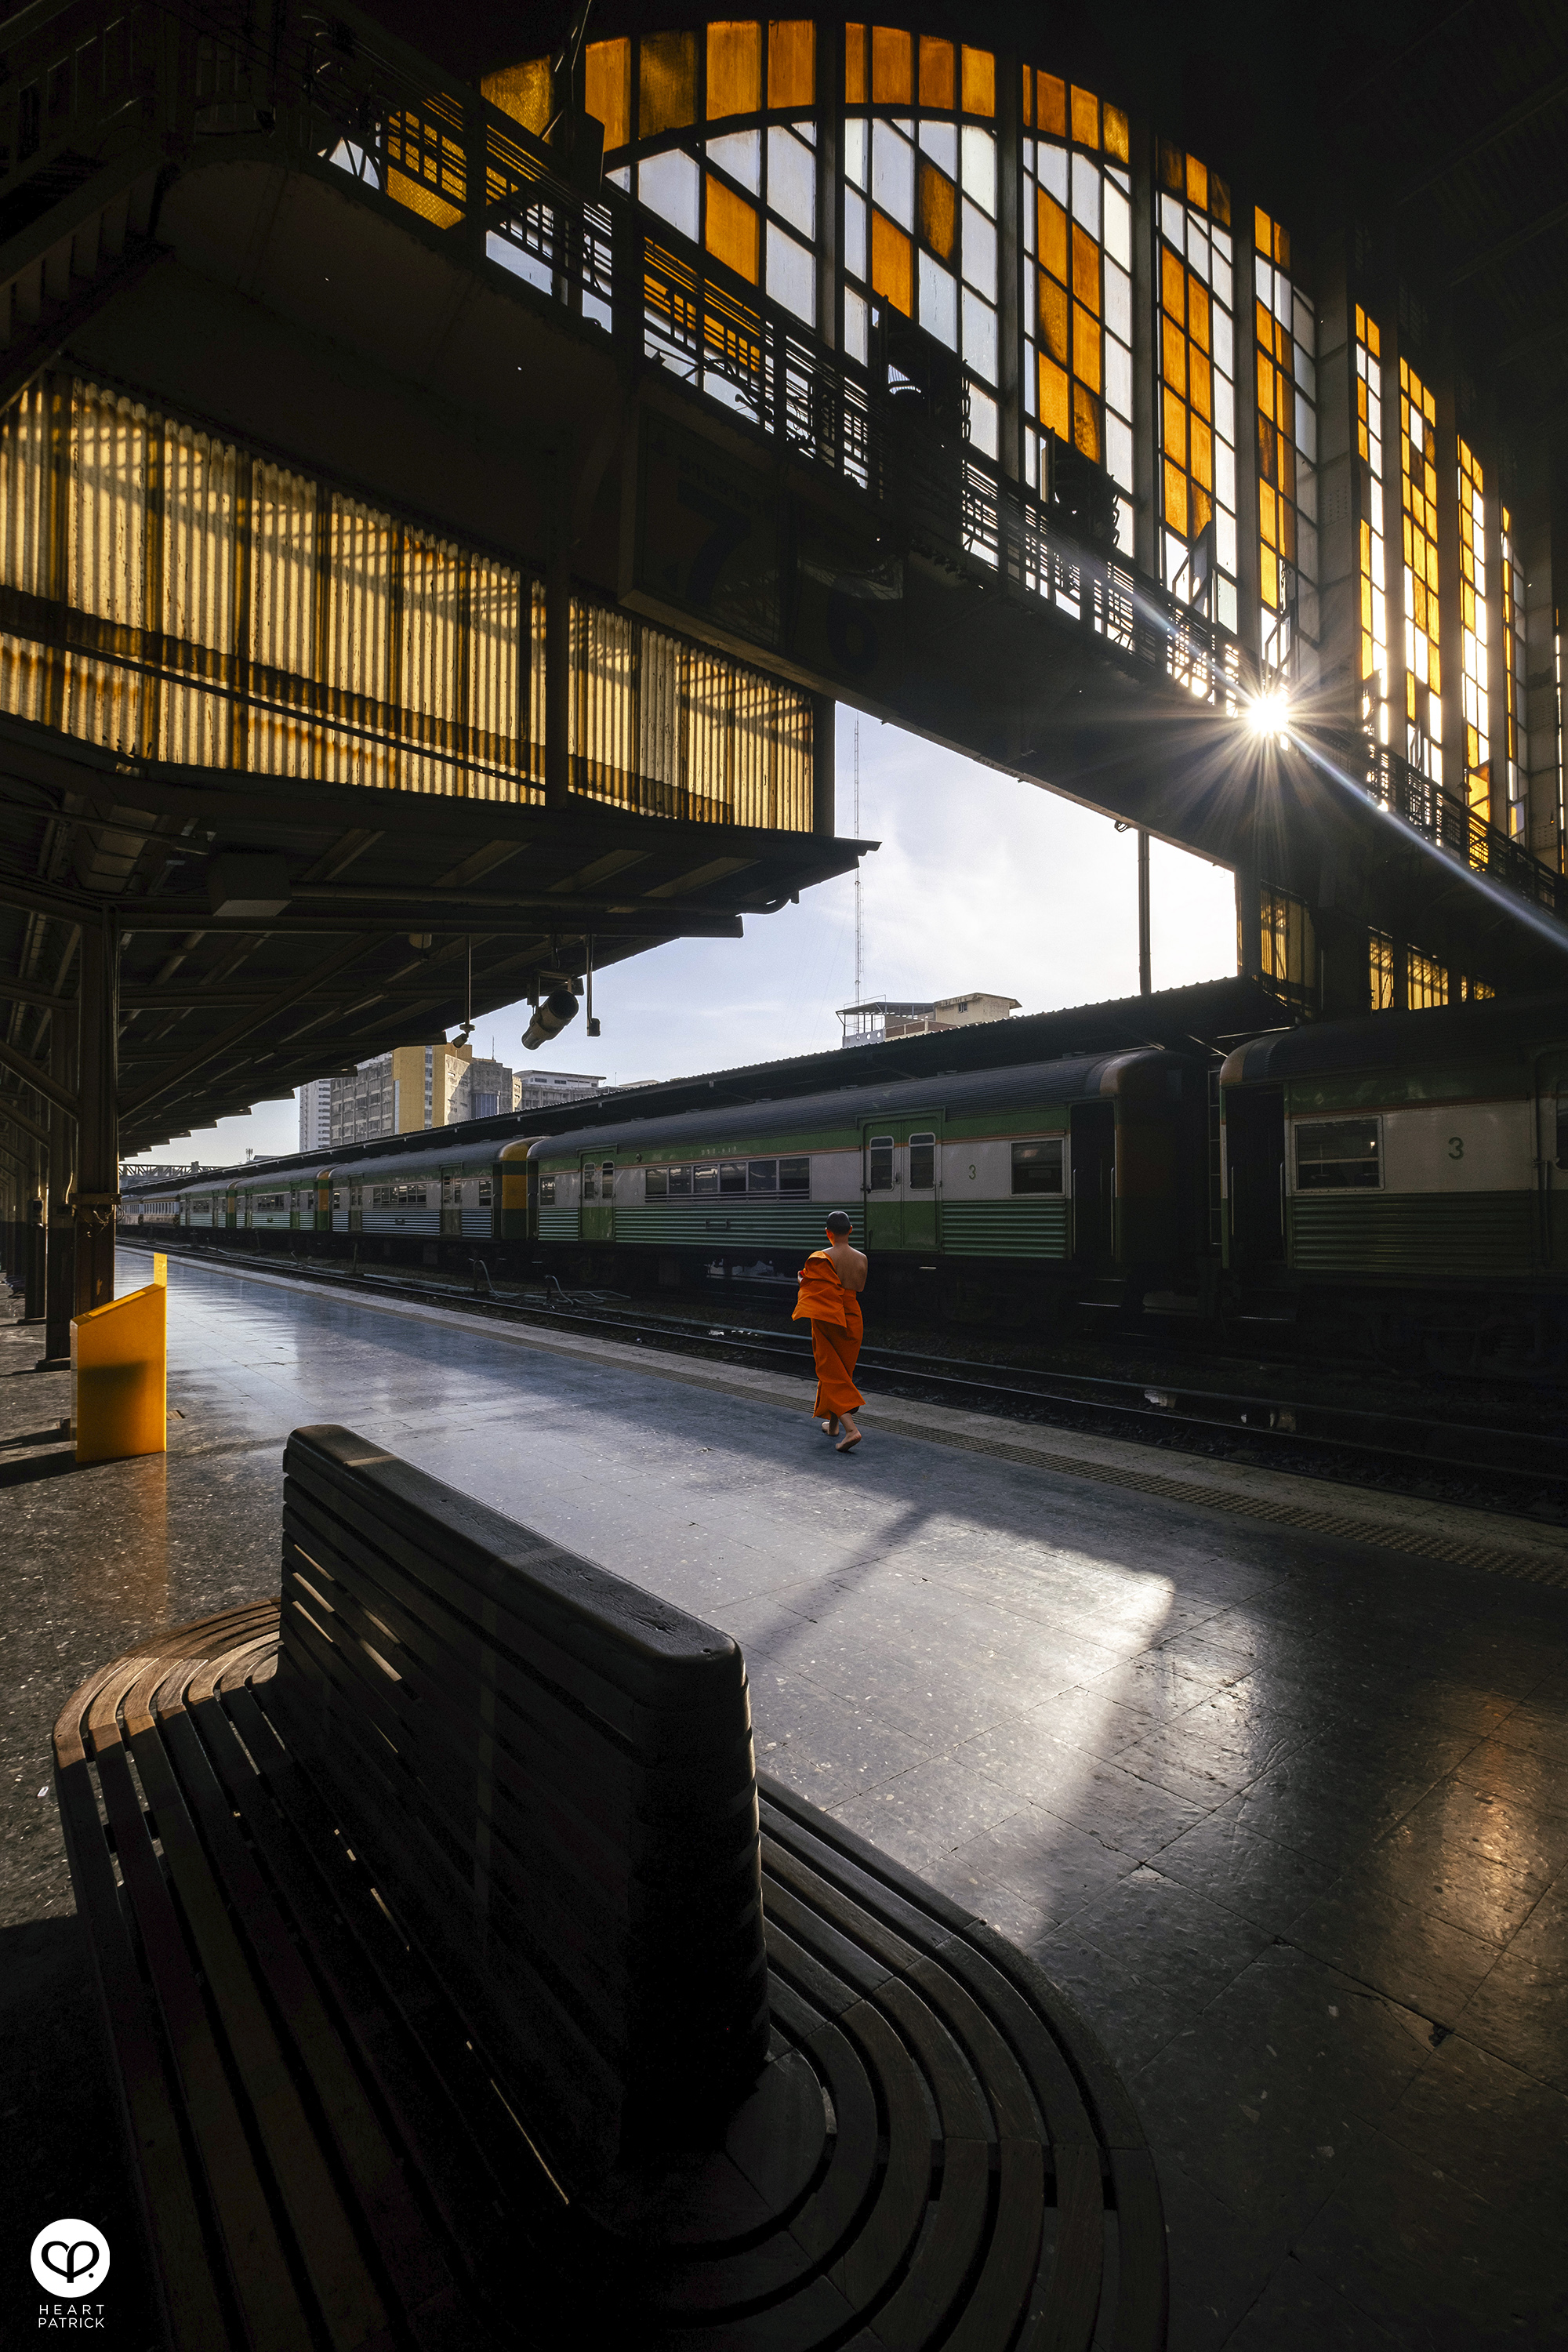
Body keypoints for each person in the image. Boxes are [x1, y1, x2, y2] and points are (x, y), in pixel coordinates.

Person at [792, 1210, 867, 1452]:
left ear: (828, 1233)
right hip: (853, 1316)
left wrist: (802, 1282)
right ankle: (833, 1425)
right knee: (842, 1371)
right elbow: (859, 1287)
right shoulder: (862, 1258)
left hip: (829, 1317)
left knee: (829, 1370)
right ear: (851, 1230)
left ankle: (851, 1429)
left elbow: (813, 1288)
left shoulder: (821, 1257)